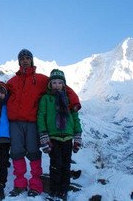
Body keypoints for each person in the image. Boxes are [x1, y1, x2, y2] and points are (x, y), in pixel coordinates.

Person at [0, 49, 81, 197]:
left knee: (34, 153)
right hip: (15, 122)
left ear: (32, 61)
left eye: (28, 58)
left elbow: (62, 87)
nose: (25, 60)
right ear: (19, 62)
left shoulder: (41, 79)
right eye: (22, 59)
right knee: (16, 153)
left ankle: (35, 185)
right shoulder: (13, 81)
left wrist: (74, 102)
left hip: (32, 122)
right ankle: (20, 184)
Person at [37, 69, 82, 201]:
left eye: (59, 83)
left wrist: (77, 135)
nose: (57, 85)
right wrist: (43, 135)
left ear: (64, 85)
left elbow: (75, 117)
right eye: (54, 82)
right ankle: (54, 190)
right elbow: (41, 116)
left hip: (68, 137)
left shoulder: (68, 99)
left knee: (66, 164)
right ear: (50, 84)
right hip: (53, 137)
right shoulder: (46, 98)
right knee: (55, 163)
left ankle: (63, 190)